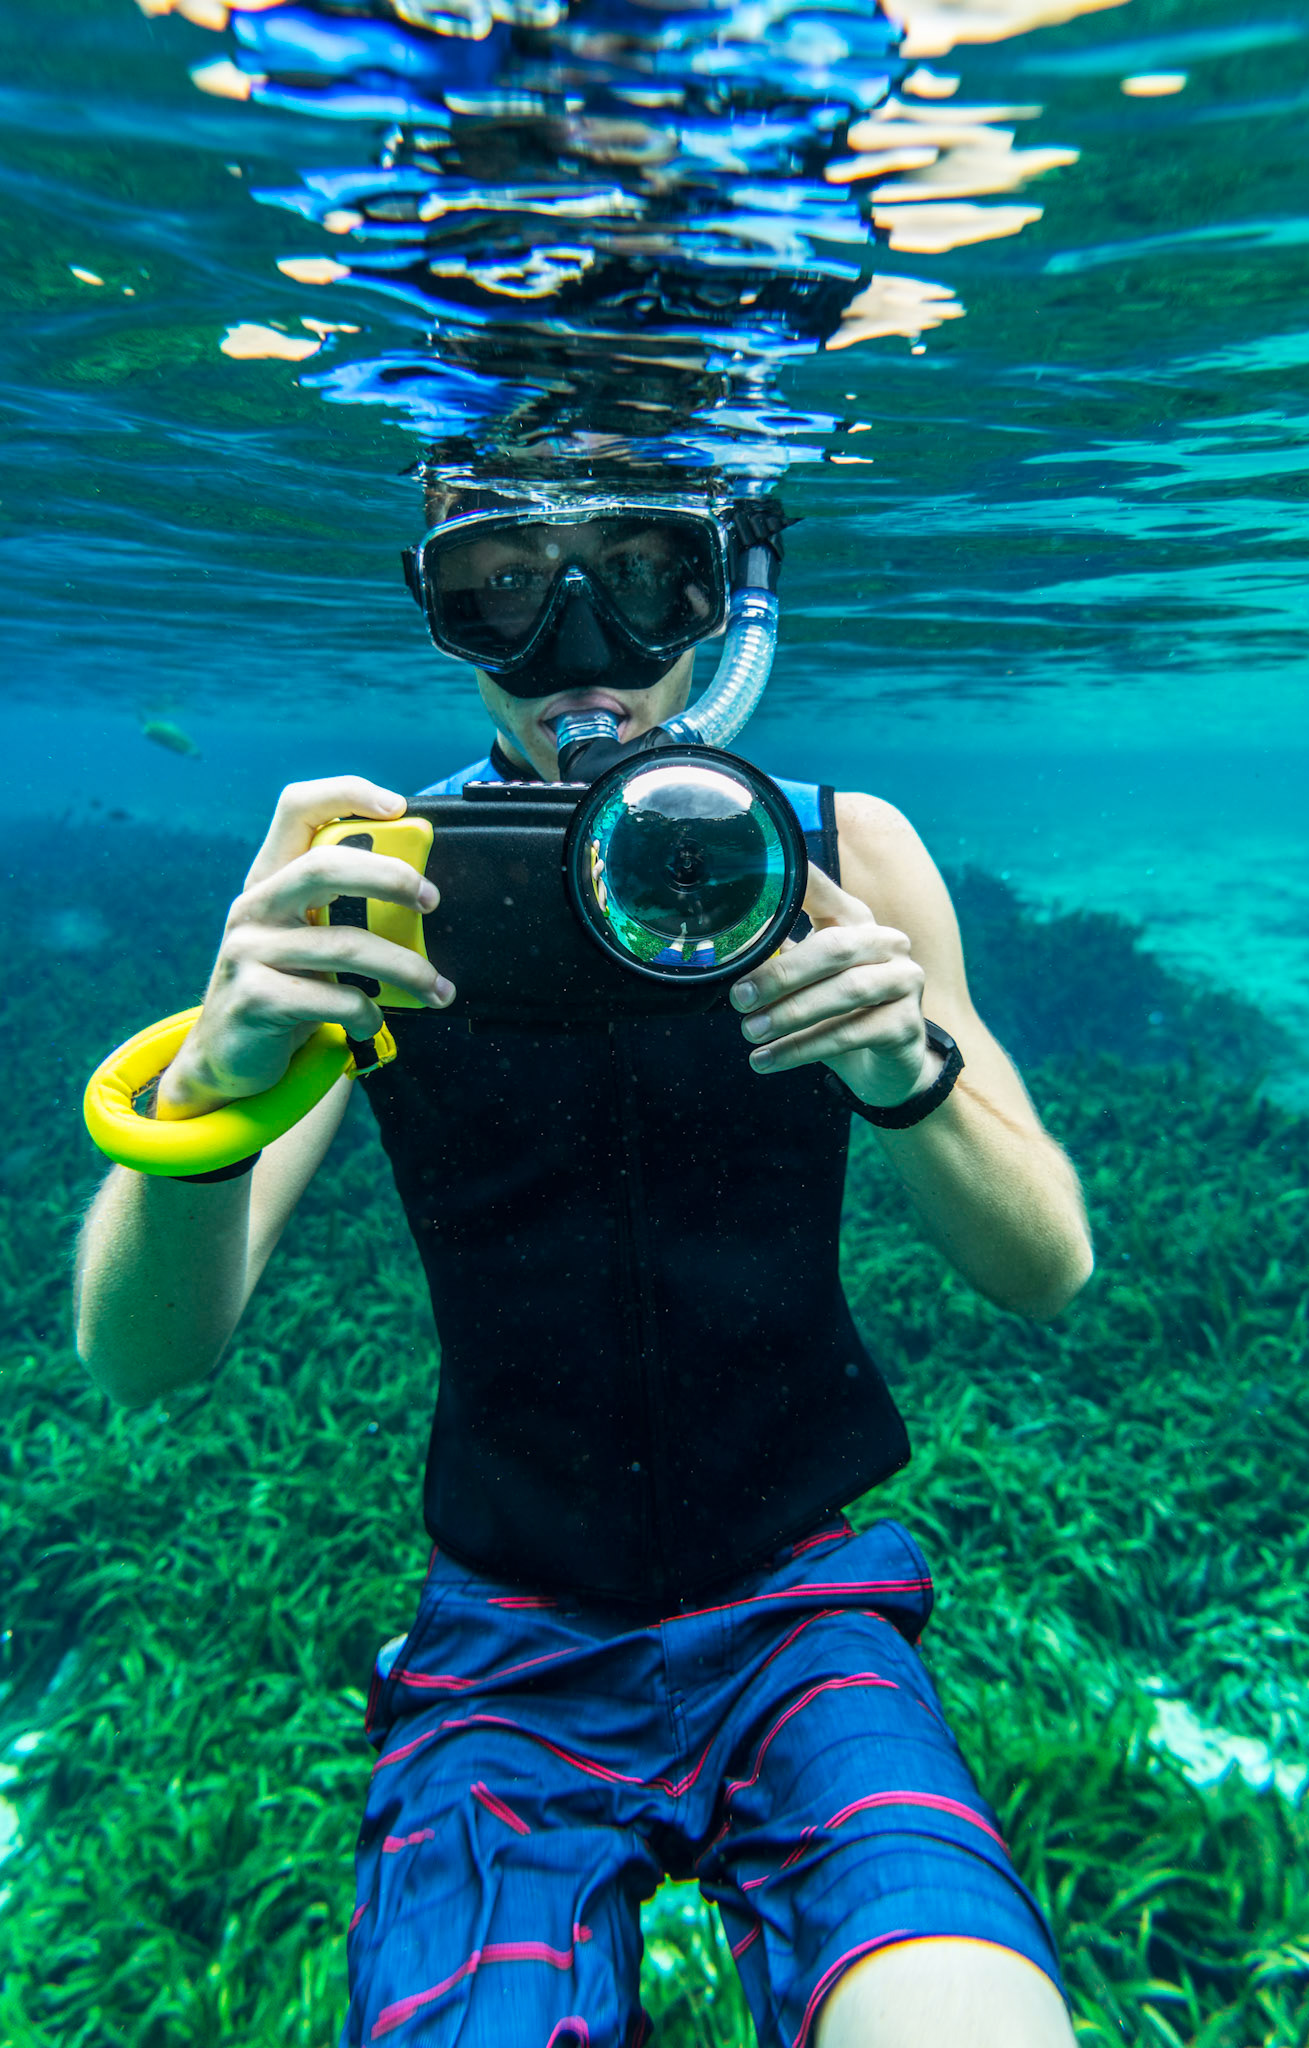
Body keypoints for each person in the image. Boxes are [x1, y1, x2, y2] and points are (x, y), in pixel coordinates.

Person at [75, 479, 1093, 2048]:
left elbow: (1047, 1268)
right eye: (498, 589)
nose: (575, 652)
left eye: (641, 579)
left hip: (795, 1599)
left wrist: (907, 1069)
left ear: (725, 595)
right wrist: (216, 1069)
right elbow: (143, 1351)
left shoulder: (844, 855)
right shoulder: (378, 887)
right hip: (507, 1631)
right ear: (435, 604)